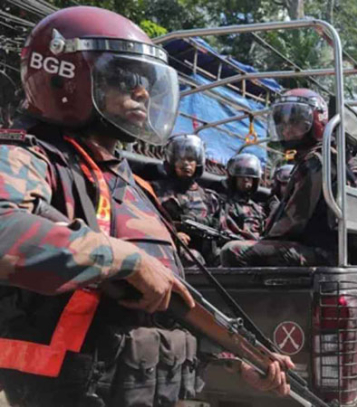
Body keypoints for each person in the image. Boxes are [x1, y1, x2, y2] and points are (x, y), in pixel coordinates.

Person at [0, 7, 291, 406]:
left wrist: (232, 360)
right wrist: (127, 260)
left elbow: (158, 306)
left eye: (146, 84)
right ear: (64, 77)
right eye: (124, 79)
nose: (142, 93)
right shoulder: (28, 155)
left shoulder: (128, 181)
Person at [221, 88, 344, 267]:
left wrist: (262, 239)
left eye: (295, 123)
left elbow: (294, 220)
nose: (287, 130)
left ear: (315, 121)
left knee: (232, 251)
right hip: (320, 248)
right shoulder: (325, 157)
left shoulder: (315, 161)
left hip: (319, 251)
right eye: (283, 124)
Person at [153, 134, 223, 265]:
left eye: (191, 159)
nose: (186, 164)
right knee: (192, 257)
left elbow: (220, 228)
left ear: (198, 163)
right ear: (172, 162)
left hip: (208, 253)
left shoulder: (210, 198)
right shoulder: (157, 191)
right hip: (172, 248)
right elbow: (149, 222)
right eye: (180, 159)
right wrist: (174, 234)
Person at [222, 153, 266, 240]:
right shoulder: (224, 204)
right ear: (234, 179)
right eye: (241, 176)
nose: (246, 179)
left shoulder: (258, 209)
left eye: (249, 177)